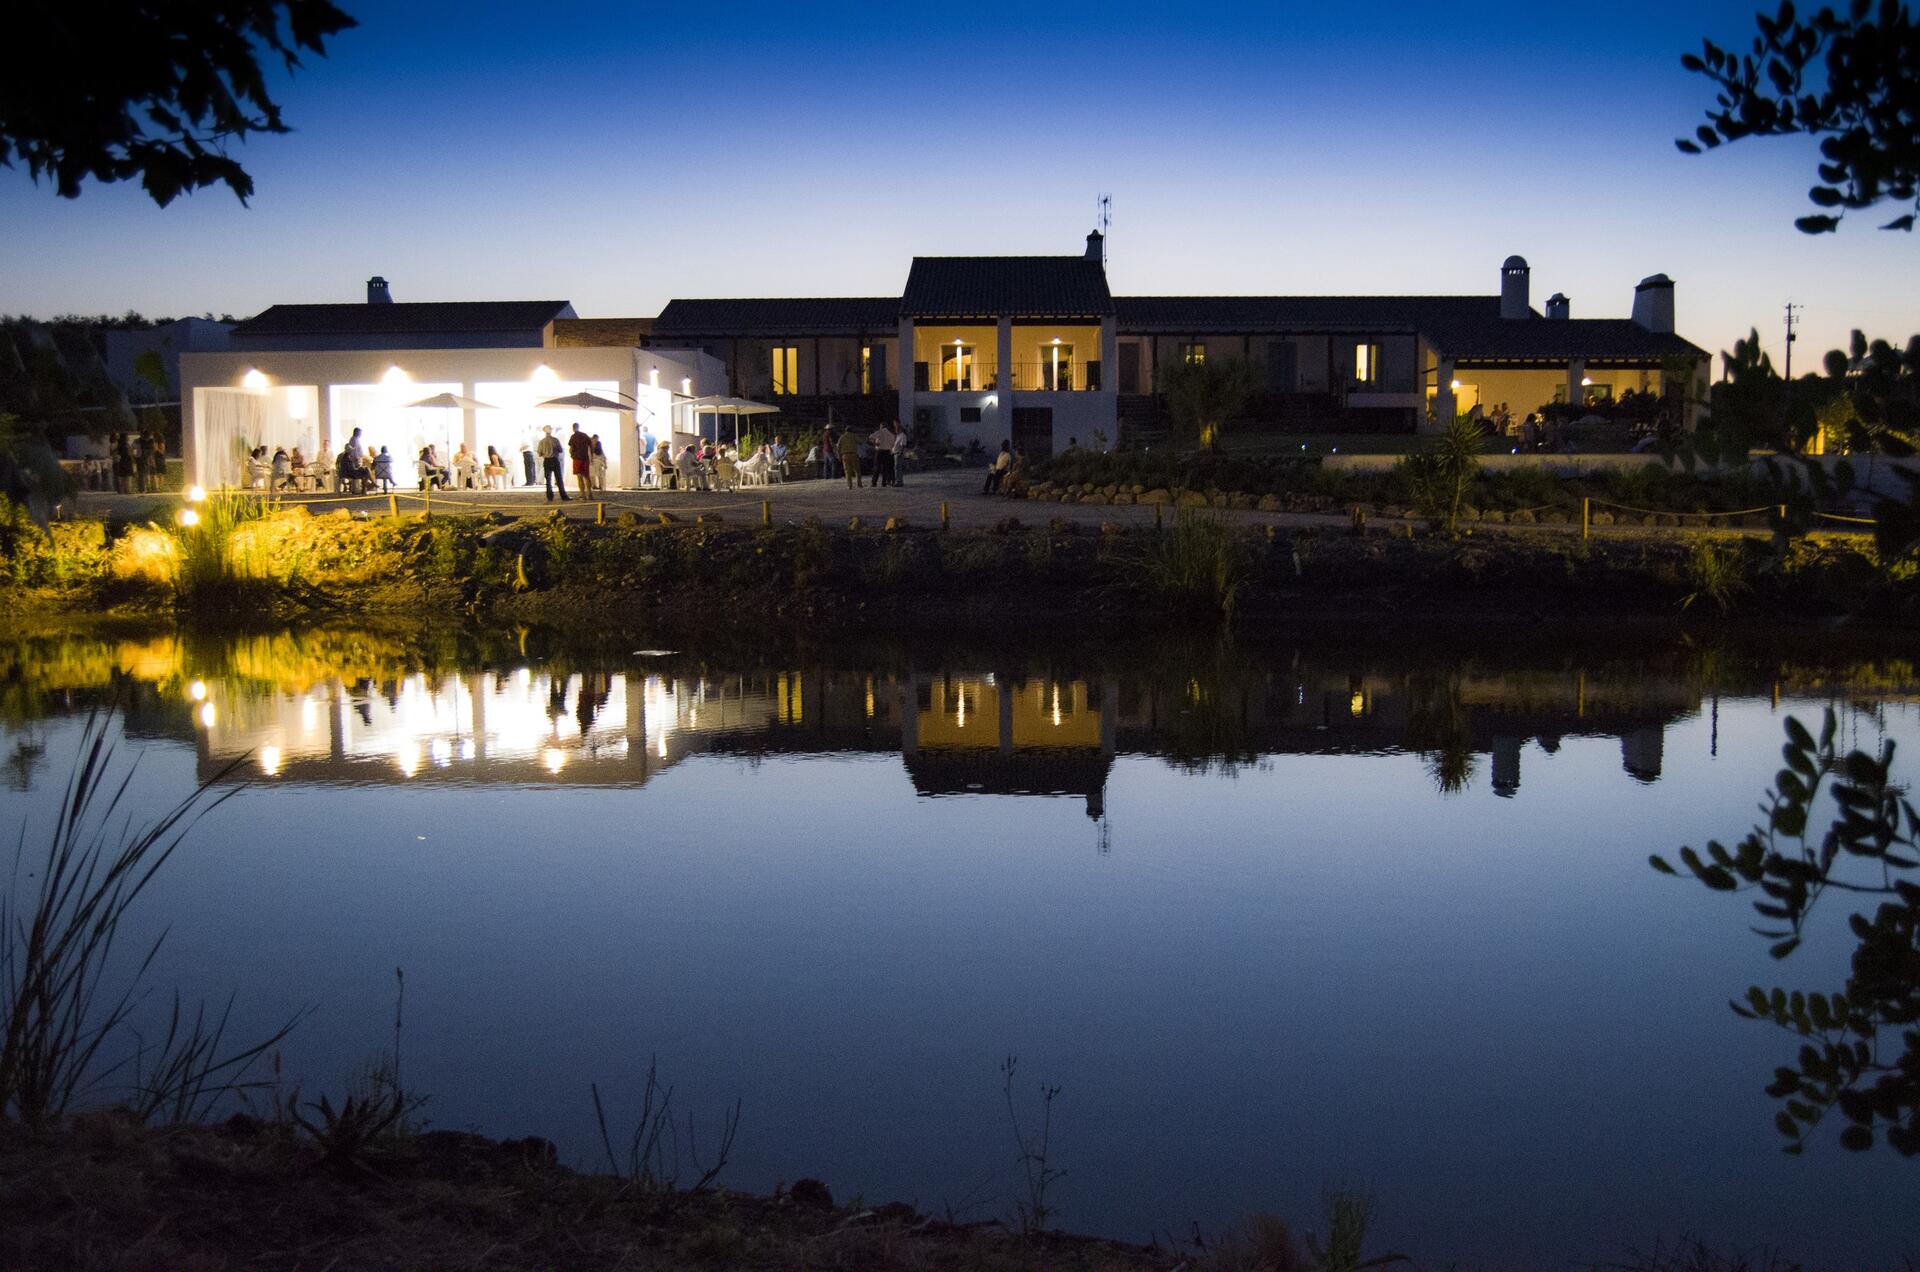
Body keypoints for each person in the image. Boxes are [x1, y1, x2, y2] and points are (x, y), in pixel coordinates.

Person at [536, 425, 568, 501]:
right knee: (559, 479)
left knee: (548, 480)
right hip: (555, 460)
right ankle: (563, 496)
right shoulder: (555, 440)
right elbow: (560, 450)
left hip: (547, 461)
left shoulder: (542, 441)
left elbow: (539, 453)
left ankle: (549, 496)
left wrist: (546, 453)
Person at [567, 422, 593, 498]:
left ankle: (582, 494)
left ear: (573, 428)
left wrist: (571, 455)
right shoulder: (585, 435)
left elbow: (571, 448)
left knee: (579, 477)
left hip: (577, 458)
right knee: (587, 476)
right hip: (585, 458)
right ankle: (589, 493)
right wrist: (591, 457)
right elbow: (591, 446)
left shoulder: (573, 436)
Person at [867, 422, 895, 488]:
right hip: (887, 452)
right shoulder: (891, 434)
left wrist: (875, 443)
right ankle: (884, 483)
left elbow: (870, 437)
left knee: (877, 467)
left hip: (879, 451)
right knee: (885, 468)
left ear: (881, 426)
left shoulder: (879, 432)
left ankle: (874, 482)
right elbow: (893, 444)